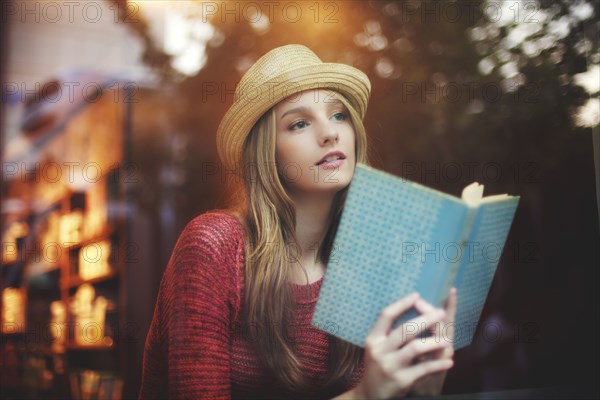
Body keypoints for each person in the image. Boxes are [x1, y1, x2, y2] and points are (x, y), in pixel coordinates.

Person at [138, 44, 457, 400]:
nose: (329, 133)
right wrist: (364, 395)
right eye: (299, 123)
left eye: (339, 115)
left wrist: (424, 377)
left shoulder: (369, 260)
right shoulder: (213, 247)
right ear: (266, 153)